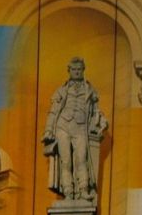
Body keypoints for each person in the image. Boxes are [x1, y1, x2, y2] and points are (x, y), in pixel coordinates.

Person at [42, 57, 108, 202]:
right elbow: (53, 110)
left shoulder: (90, 91)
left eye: (79, 69)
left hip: (80, 128)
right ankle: (68, 192)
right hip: (63, 126)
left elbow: (96, 112)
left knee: (81, 159)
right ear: (69, 71)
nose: (77, 72)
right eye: (74, 69)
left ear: (83, 70)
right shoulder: (62, 90)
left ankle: (83, 190)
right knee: (65, 161)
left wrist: (102, 123)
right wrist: (48, 129)